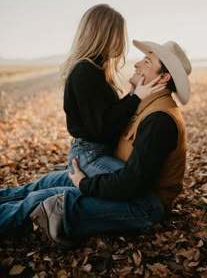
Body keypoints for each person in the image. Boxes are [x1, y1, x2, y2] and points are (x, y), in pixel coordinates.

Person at [0, 5, 163, 240]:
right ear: (105, 34)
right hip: (91, 154)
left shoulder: (94, 70)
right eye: (119, 34)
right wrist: (135, 97)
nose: (122, 41)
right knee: (147, 204)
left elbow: (105, 115)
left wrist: (133, 94)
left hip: (89, 152)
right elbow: (101, 127)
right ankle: (58, 209)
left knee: (37, 188)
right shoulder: (85, 71)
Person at [30, 39, 192, 247]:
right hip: (118, 180)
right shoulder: (144, 104)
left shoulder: (159, 118)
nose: (136, 64)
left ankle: (64, 211)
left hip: (144, 201)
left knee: (43, 198)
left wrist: (85, 183)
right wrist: (90, 166)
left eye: (147, 62)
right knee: (42, 185)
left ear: (164, 78)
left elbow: (132, 181)